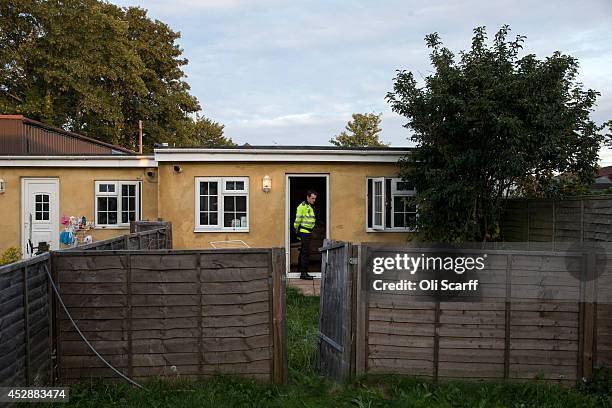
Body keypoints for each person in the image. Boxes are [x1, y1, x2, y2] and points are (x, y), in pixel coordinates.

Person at [294, 190, 317, 280]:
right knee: (305, 253)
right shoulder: (302, 206)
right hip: (304, 232)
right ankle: (303, 273)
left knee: (303, 252)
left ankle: (301, 270)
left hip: (307, 232)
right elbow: (297, 220)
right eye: (312, 198)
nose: (314, 200)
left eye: (315, 198)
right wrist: (296, 230)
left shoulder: (310, 206)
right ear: (307, 197)